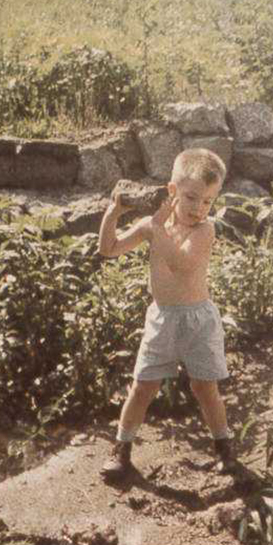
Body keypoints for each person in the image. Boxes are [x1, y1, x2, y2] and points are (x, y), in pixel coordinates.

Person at [96, 148, 235, 480]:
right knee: (143, 387)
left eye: (207, 202)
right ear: (172, 191)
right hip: (162, 319)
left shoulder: (205, 230)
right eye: (191, 197)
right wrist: (113, 213)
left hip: (198, 321)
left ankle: (225, 449)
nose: (199, 208)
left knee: (205, 388)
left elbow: (182, 264)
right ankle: (122, 450)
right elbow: (109, 249)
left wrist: (158, 230)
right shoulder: (150, 225)